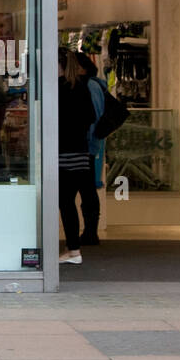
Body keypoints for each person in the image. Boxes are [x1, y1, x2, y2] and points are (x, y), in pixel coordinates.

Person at [58, 49, 97, 265]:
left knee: (65, 202)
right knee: (68, 201)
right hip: (80, 151)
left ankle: (73, 249)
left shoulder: (60, 89)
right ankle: (72, 248)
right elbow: (90, 116)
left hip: (64, 152)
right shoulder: (81, 87)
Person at [76, 51, 105, 245]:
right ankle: (89, 231)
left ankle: (91, 231)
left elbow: (94, 117)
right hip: (85, 145)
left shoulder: (91, 86)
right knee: (86, 189)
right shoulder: (87, 85)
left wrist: (89, 145)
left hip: (87, 146)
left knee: (87, 190)